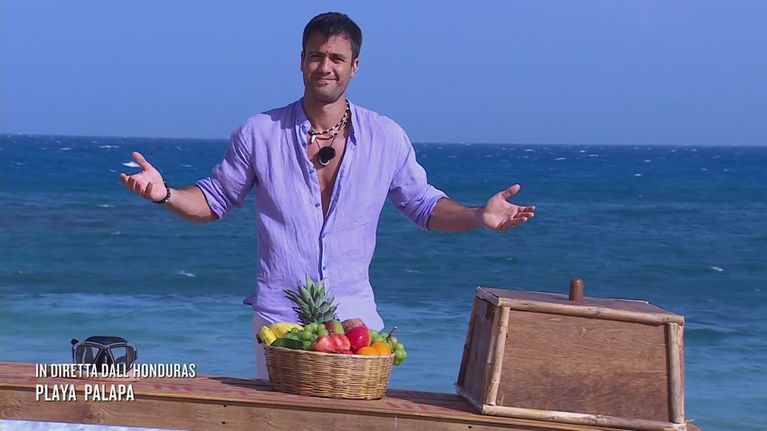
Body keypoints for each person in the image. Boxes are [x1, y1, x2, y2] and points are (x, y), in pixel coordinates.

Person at [120, 12, 535, 379]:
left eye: (336, 58)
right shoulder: (259, 133)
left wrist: (479, 216)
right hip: (280, 323)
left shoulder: (386, 136)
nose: (325, 66)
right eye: (316, 55)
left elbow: (424, 206)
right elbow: (214, 201)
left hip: (357, 322)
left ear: (355, 66)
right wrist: (164, 193)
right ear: (301, 60)